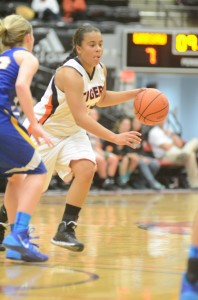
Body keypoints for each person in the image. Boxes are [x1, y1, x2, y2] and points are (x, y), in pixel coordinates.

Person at [0, 24, 143, 259]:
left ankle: (66, 228)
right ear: (78, 47)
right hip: (44, 130)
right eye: (92, 44)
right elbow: (81, 116)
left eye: (101, 44)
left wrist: (135, 93)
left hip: (72, 132)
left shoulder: (100, 69)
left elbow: (101, 98)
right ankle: (3, 221)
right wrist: (115, 137)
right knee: (26, 187)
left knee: (87, 168)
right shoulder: (68, 72)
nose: (98, 49)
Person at [0, 14, 53, 261]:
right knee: (38, 172)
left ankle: (13, 245)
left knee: (16, 177)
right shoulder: (27, 56)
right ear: (29, 37)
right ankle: (19, 234)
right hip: (1, 118)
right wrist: (34, 123)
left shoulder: (2, 58)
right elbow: (22, 86)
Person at [148, 118, 198, 189]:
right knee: (190, 154)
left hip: (177, 153)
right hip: (166, 156)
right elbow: (166, 147)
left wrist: (172, 134)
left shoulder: (168, 131)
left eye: (163, 119)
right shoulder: (154, 132)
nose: (162, 121)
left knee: (194, 146)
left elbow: (180, 144)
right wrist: (174, 145)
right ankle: (185, 153)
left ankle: (195, 185)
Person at [89, 108, 119, 190]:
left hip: (98, 150)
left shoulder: (98, 127)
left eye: (95, 114)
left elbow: (100, 143)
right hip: (88, 150)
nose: (94, 116)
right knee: (101, 159)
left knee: (114, 158)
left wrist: (101, 151)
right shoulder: (84, 127)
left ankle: (110, 180)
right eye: (92, 114)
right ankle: (103, 181)